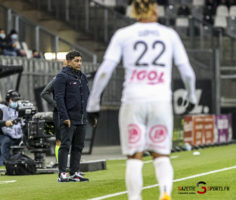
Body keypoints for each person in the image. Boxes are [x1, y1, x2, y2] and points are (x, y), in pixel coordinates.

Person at [87, 1, 197, 200]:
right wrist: (190, 98)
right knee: (161, 155)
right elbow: (188, 73)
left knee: (134, 156)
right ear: (155, 10)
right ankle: (164, 192)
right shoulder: (169, 34)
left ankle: (135, 198)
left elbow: (104, 71)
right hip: (160, 101)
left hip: (133, 100)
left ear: (134, 12)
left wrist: (93, 103)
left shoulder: (123, 34)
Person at [54, 51, 92, 182]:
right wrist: (65, 117)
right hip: (69, 118)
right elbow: (59, 98)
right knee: (65, 145)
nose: (79, 63)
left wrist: (90, 114)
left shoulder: (82, 77)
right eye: (76, 61)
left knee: (78, 146)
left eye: (80, 61)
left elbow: (87, 96)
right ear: (68, 61)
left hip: (81, 118)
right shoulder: (62, 77)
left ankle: (74, 172)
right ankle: (62, 173)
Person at [0, 90, 23, 165]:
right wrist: (5, 123)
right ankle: (6, 162)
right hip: (2, 135)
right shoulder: (1, 108)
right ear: (8, 100)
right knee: (6, 141)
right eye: (14, 100)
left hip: (18, 135)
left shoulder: (21, 108)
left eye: (17, 100)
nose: (16, 102)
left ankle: (20, 161)